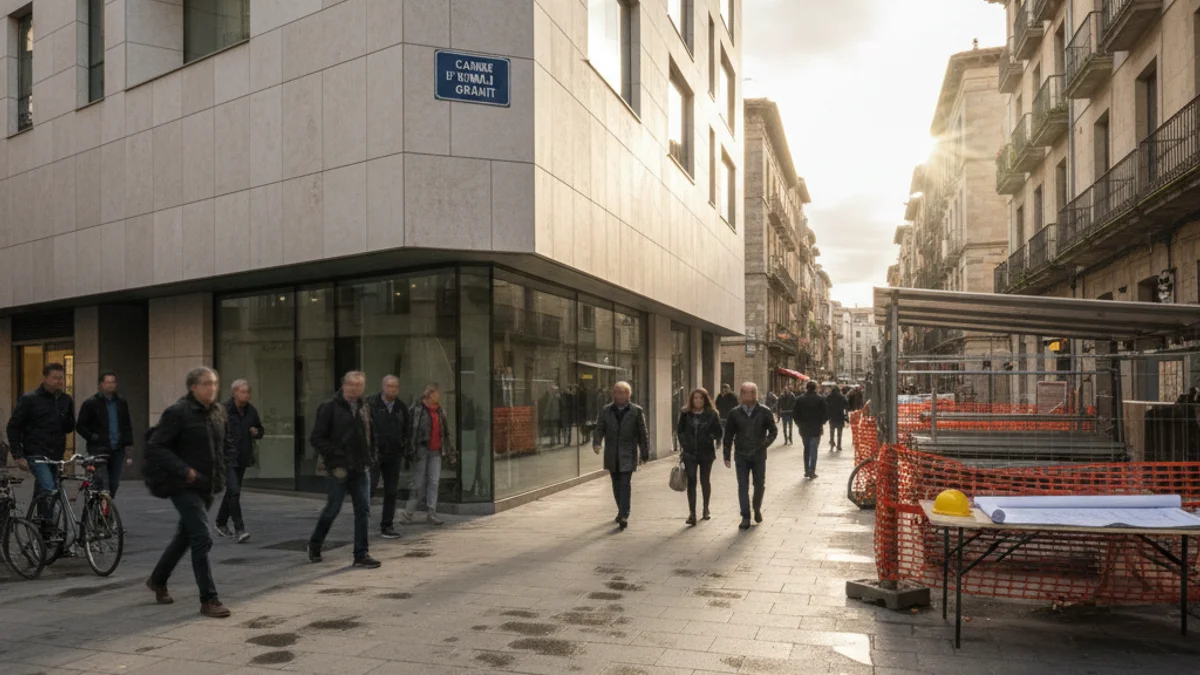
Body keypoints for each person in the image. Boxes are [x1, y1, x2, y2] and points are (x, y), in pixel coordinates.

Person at [143, 367, 230, 618]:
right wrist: (184, 470)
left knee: (185, 536)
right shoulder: (178, 413)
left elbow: (224, 445)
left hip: (208, 485)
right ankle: (209, 600)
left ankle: (158, 580)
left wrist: (223, 475)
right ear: (193, 387)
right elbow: (156, 446)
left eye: (214, 383)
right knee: (202, 537)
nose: (211, 388)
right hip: (182, 485)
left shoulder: (218, 412)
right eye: (206, 384)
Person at [308, 371, 380, 569]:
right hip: (337, 468)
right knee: (333, 508)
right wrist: (336, 455)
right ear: (344, 385)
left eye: (359, 385)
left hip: (360, 466)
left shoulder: (365, 406)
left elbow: (371, 433)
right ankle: (315, 543)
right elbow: (316, 438)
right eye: (351, 384)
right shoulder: (329, 407)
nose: (355, 388)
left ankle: (361, 553)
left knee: (363, 510)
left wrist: (371, 456)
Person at [8, 363, 76, 521]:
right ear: (46, 378)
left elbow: (68, 427)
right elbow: (13, 427)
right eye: (55, 378)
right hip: (36, 453)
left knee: (44, 491)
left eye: (61, 378)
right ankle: (48, 528)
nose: (59, 381)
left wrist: (68, 420)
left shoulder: (65, 400)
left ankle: (39, 526)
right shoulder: (30, 400)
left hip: (56, 454)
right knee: (49, 489)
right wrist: (18, 455)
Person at [593, 381, 650, 530]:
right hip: (612, 453)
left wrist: (644, 452)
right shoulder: (606, 410)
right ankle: (621, 509)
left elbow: (642, 434)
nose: (619, 395)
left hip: (627, 453)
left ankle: (624, 514)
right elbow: (599, 428)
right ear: (613, 394)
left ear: (628, 395)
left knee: (625, 484)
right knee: (616, 484)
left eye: (622, 392)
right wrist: (597, 442)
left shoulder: (636, 411)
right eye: (617, 392)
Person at [723, 383, 777, 530]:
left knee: (759, 485)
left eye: (751, 393)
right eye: (745, 393)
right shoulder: (734, 413)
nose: (748, 396)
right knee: (742, 485)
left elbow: (773, 431)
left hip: (759, 454)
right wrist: (726, 454)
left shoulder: (764, 412)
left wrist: (764, 444)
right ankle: (745, 516)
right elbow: (728, 435)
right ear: (741, 395)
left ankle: (756, 507)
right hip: (741, 454)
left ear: (755, 395)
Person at [402, 383, 457, 526]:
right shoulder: (418, 409)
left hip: (436, 450)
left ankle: (431, 513)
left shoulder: (440, 411)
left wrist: (448, 449)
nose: (439, 396)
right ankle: (408, 513)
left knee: (434, 482)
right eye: (437, 393)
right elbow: (409, 430)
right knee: (418, 482)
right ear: (430, 394)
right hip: (421, 450)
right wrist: (410, 448)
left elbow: (446, 432)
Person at [215, 380, 263, 543]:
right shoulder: (223, 410)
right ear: (234, 392)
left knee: (231, 492)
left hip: (242, 456)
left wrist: (257, 432)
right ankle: (239, 529)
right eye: (243, 392)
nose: (246, 395)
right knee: (234, 491)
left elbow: (260, 430)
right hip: (226, 457)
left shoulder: (251, 411)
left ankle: (220, 522)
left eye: (248, 392)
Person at [75, 372, 133, 497]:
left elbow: (126, 425)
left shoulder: (121, 402)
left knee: (114, 483)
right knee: (102, 483)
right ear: (101, 384)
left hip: (117, 449)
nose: (110, 385)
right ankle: (97, 511)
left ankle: (106, 512)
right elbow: (80, 426)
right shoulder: (90, 403)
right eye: (107, 382)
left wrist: (128, 446)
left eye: (113, 382)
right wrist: (93, 437)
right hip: (98, 449)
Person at [368, 375, 410, 538]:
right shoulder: (371, 404)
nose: (392, 389)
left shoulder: (401, 407)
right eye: (389, 386)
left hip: (393, 454)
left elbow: (407, 429)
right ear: (383, 386)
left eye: (395, 387)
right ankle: (362, 522)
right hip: (375, 453)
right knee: (369, 489)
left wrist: (403, 446)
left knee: (391, 490)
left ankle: (387, 525)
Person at [676, 388, 722, 525]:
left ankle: (706, 509)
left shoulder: (712, 414)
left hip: (706, 453)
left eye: (700, 398)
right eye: (695, 398)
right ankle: (692, 513)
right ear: (692, 399)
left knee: (704, 480)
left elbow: (719, 432)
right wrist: (685, 443)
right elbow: (679, 431)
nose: (698, 400)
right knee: (691, 481)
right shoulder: (685, 413)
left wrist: (710, 438)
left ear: (705, 399)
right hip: (690, 453)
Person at [792, 381, 828, 479]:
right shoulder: (820, 399)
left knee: (806, 449)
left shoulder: (799, 399)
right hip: (816, 428)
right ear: (815, 388)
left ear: (806, 388)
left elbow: (795, 414)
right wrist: (822, 422)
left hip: (804, 429)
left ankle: (806, 470)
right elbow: (826, 413)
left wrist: (799, 424)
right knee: (814, 450)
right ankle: (812, 470)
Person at [825, 384, 849, 452]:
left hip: (832, 417)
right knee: (839, 432)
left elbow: (825, 403)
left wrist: (829, 409)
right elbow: (847, 404)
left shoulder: (829, 396)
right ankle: (839, 445)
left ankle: (832, 443)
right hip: (840, 416)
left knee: (832, 431)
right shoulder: (841, 396)